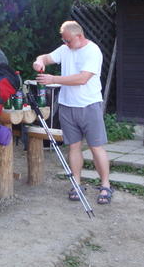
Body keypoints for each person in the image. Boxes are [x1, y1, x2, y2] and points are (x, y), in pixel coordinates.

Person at [32, 20, 113, 205]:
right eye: (64, 40)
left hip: (89, 105)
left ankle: (105, 185)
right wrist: (39, 61)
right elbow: (46, 57)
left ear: (79, 36)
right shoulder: (64, 49)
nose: (66, 43)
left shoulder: (93, 51)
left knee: (96, 147)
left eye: (68, 40)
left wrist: (53, 79)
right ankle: (76, 184)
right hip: (67, 106)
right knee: (73, 147)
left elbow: (82, 78)